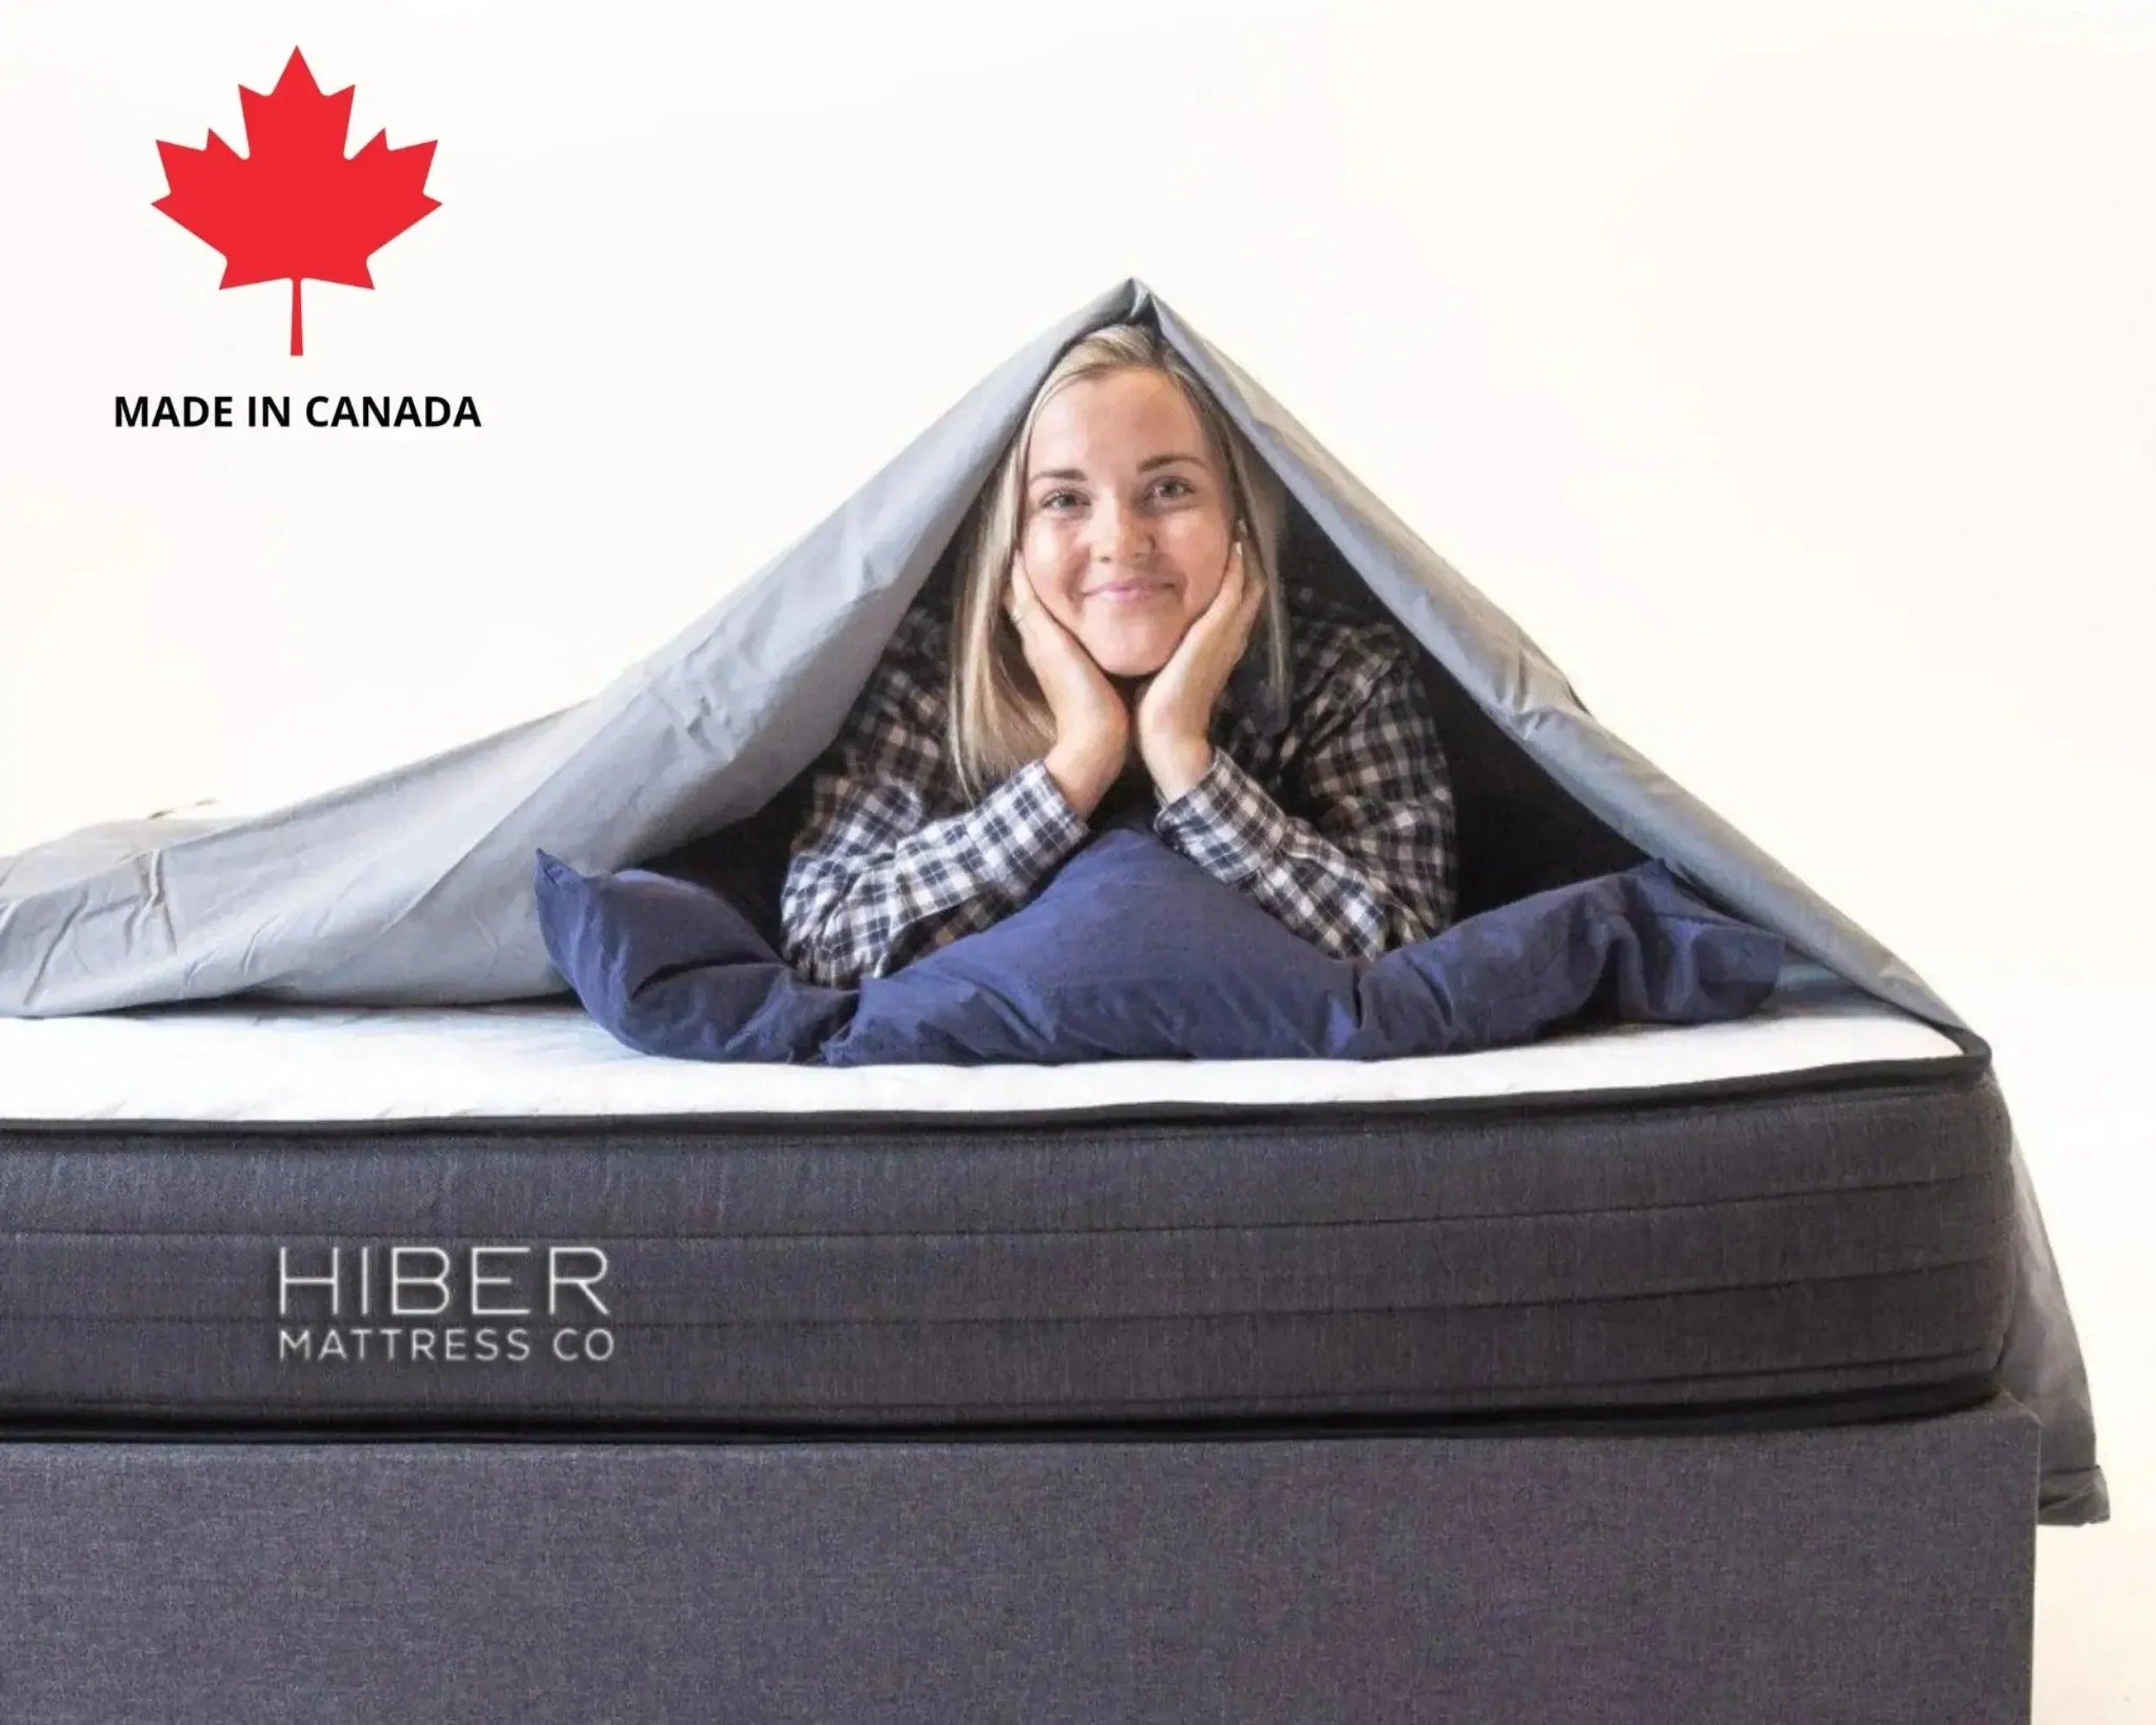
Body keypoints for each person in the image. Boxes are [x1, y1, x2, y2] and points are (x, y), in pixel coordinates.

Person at [779, 321, 1459, 988]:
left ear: (1239, 517)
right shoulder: (933, 678)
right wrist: (1079, 760)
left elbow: (1409, 952)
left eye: (1169, 489)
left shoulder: (1345, 673)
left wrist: (1184, 758)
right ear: (1012, 543)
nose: (1120, 541)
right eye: (1064, 500)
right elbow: (827, 943)